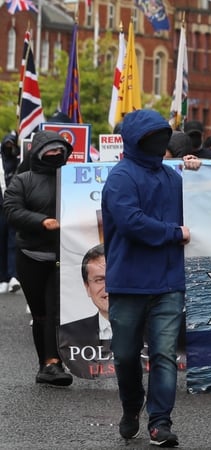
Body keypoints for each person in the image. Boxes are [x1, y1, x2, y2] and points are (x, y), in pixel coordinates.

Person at [102, 109, 189, 447]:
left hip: (169, 281)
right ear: (135, 140)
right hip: (128, 282)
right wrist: (174, 232)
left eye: (163, 136)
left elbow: (203, 207)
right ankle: (130, 406)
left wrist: (199, 175)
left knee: (164, 354)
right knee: (125, 355)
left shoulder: (175, 179)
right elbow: (131, 222)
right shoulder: (121, 177)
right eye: (152, 137)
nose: (159, 142)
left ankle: (160, 422)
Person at [4, 130, 74, 386]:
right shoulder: (23, 180)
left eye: (60, 151)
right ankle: (44, 364)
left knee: (55, 310)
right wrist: (42, 221)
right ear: (38, 153)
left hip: (64, 256)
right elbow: (12, 211)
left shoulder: (74, 180)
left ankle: (54, 363)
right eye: (50, 151)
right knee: (40, 313)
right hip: (30, 256)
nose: (56, 155)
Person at [57, 244, 112, 378]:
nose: (108, 287)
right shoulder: (70, 333)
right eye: (99, 280)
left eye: (114, 277)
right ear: (87, 287)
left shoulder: (154, 329)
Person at [0, 132, 21, 293]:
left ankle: (13, 275)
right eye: (6, 145)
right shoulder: (1, 162)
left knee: (13, 243)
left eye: (11, 145)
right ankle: (3, 278)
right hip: (1, 208)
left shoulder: (19, 162)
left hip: (14, 207)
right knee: (2, 243)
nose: (9, 148)